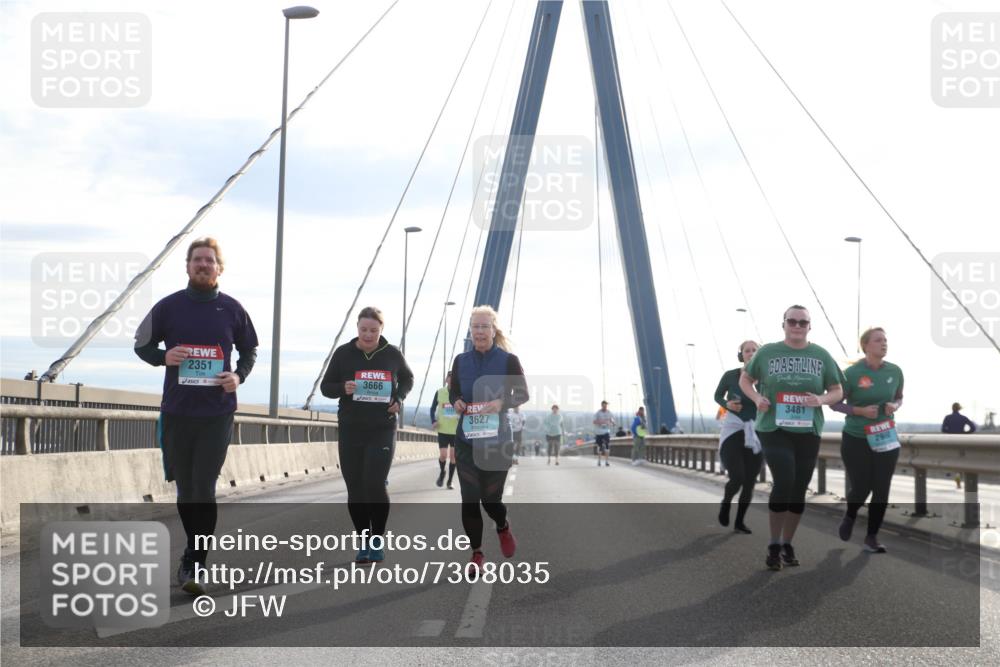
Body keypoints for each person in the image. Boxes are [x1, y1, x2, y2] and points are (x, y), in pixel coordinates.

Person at [134, 237, 258, 596]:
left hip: (217, 413)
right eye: (197, 260)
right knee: (186, 488)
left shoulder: (233, 309)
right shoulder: (169, 307)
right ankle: (193, 553)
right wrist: (163, 357)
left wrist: (239, 376)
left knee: (203, 487)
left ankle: (195, 561)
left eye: (209, 260)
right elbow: (141, 344)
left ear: (220, 268)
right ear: (187, 266)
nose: (203, 265)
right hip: (177, 411)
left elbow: (249, 349)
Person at [740, 305, 843, 571]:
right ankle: (773, 544)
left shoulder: (821, 355)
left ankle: (787, 543)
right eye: (792, 321)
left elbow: (837, 390)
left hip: (808, 430)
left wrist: (820, 399)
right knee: (785, 479)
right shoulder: (767, 353)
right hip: (773, 427)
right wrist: (756, 398)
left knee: (799, 488)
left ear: (810, 326)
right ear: (783, 324)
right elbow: (745, 379)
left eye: (803, 322)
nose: (797, 326)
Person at [321, 306, 413, 564]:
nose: (368, 334)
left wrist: (399, 398)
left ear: (381, 330)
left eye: (373, 330)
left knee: (374, 484)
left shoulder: (392, 354)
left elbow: (407, 379)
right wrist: (343, 387)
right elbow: (326, 387)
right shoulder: (343, 354)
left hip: (382, 427)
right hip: (351, 428)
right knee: (356, 489)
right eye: (364, 330)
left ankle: (377, 540)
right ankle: (363, 540)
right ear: (357, 329)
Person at [450, 305, 528, 574]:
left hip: (497, 441)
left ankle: (502, 526)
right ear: (470, 331)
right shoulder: (460, 361)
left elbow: (522, 394)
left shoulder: (508, 360)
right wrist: (457, 402)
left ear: (494, 330)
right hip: (467, 440)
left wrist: (500, 402)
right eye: (475, 327)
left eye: (485, 326)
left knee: (491, 501)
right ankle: (477, 554)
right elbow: (454, 392)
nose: (480, 331)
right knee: (470, 498)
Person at [831, 327, 903, 554]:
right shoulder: (851, 374)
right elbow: (835, 403)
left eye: (885, 340)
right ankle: (850, 515)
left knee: (881, 489)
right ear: (866, 346)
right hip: (856, 438)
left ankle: (871, 537)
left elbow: (899, 397)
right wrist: (859, 411)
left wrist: (895, 405)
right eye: (878, 340)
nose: (884, 343)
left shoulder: (895, 371)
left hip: (885, 436)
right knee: (862, 487)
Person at [714, 340, 763, 534]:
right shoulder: (730, 376)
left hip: (756, 433)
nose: (751, 353)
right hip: (733, 431)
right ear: (741, 355)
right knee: (738, 477)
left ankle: (740, 522)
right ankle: (726, 502)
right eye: (747, 350)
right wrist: (728, 405)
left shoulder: (767, 378)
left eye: (754, 350)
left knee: (750, 481)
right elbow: (717, 396)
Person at [430, 371, 458, 489]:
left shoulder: (459, 394)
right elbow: (432, 409)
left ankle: (450, 481)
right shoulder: (440, 392)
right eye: (449, 378)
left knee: (453, 457)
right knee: (443, 455)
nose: (451, 380)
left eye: (453, 378)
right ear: (446, 380)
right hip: (443, 430)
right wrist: (433, 421)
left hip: (456, 431)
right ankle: (442, 472)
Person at [942, 402, 977, 488]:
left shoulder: (947, 418)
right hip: (961, 441)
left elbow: (943, 429)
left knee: (953, 458)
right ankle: (958, 475)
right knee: (960, 458)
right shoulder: (963, 418)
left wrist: (950, 433)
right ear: (959, 409)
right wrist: (965, 433)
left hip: (951, 441)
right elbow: (973, 428)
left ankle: (956, 474)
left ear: (952, 408)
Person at [592, 400, 616, 467]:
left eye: (606, 406)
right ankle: (599, 461)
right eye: (604, 406)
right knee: (599, 447)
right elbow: (594, 421)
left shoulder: (609, 412)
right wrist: (601, 422)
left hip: (606, 431)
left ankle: (607, 461)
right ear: (601, 405)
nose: (605, 407)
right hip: (599, 432)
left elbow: (611, 419)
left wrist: (613, 422)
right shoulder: (598, 413)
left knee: (607, 445)